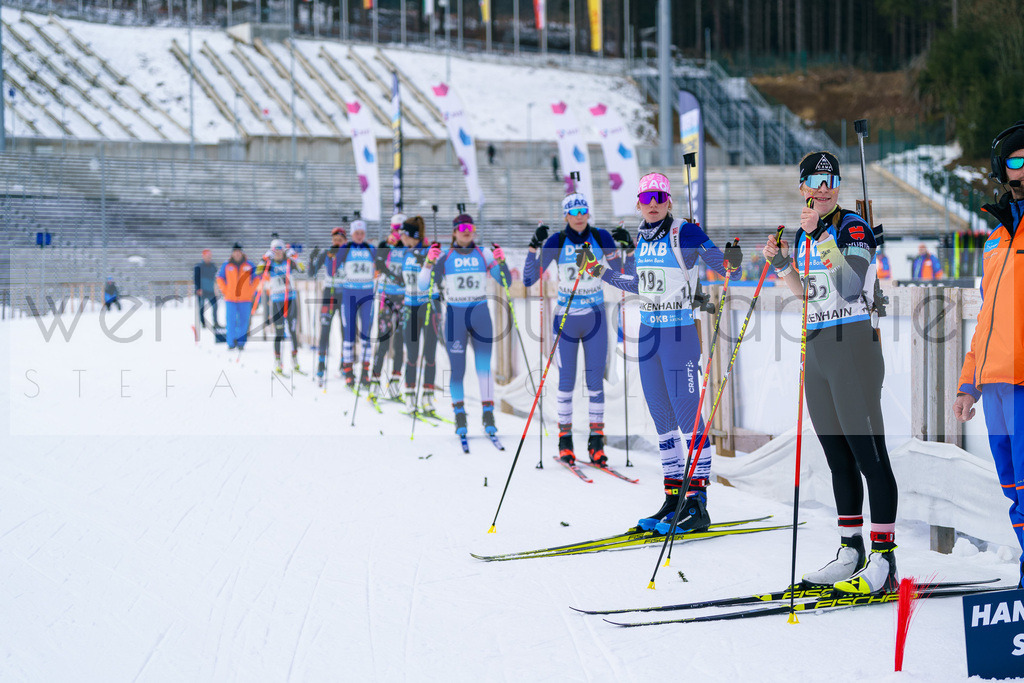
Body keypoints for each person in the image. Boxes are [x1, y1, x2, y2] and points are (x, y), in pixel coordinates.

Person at [761, 151, 898, 594]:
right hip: (819, 346)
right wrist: (782, 265)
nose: (823, 189)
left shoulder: (849, 226)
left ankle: (884, 558)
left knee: (868, 456)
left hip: (853, 345)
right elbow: (809, 295)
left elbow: (850, 285)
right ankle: (850, 550)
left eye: (830, 181)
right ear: (801, 186)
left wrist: (820, 234)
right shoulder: (805, 233)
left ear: (838, 185)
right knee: (838, 458)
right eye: (814, 182)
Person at [578, 172, 741, 534]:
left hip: (679, 334)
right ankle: (673, 497)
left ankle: (698, 503)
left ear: (669, 201)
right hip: (649, 332)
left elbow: (726, 267)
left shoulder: (684, 232)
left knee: (687, 416)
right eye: (646, 199)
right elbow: (638, 282)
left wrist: (727, 256)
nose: (652, 205)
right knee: (661, 418)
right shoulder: (642, 235)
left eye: (659, 198)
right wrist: (600, 271)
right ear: (638, 203)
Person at [952, 121, 1024, 589]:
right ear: (1004, 170)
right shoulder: (997, 240)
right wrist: (967, 383)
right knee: (1014, 493)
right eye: (1018, 159)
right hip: (995, 386)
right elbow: (986, 321)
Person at [522, 193, 626, 466]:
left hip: (595, 318)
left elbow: (623, 273)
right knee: (566, 383)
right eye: (573, 211)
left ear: (588, 213)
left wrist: (626, 247)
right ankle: (565, 441)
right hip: (566, 320)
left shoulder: (601, 237)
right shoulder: (557, 241)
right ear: (566, 215)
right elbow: (529, 278)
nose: (579, 216)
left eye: (583, 210)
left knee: (595, 384)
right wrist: (534, 247)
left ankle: (596, 442)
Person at [421, 213, 511, 437]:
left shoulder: (484, 253)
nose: (466, 230)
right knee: (458, 370)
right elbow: (423, 284)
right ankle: (460, 416)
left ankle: (488, 414)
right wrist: (428, 262)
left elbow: (505, 281)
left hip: (480, 315)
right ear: (454, 232)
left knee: (484, 368)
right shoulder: (445, 256)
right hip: (455, 318)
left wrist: (502, 262)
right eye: (461, 227)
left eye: (469, 226)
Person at [397, 216, 441, 413]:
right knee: (412, 353)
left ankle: (428, 397)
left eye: (402, 233)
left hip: (429, 304)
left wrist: (431, 259)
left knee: (430, 353)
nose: (400, 236)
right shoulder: (406, 253)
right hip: (410, 306)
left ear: (409, 235)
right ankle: (409, 395)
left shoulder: (429, 251)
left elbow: (438, 274)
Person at [367, 214, 408, 405]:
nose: (399, 233)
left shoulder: (409, 245)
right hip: (386, 297)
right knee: (383, 341)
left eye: (403, 229)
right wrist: (394, 277)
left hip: (404, 298)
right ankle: (374, 385)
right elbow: (379, 264)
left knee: (399, 343)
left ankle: (394, 386)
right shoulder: (386, 243)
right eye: (396, 229)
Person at [256, 239, 305, 374]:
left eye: (280, 249)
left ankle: (295, 361)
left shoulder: (289, 262)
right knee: (279, 333)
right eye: (274, 250)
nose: (278, 252)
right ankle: (278, 363)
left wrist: (294, 256)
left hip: (290, 300)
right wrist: (264, 258)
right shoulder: (269, 263)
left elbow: (302, 268)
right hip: (277, 300)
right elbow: (258, 272)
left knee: (293, 331)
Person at [337, 220, 376, 389]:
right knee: (349, 333)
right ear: (352, 234)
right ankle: (348, 371)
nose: (359, 236)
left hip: (367, 295)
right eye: (356, 233)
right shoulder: (346, 249)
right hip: (350, 295)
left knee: (366, 333)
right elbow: (332, 268)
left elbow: (380, 265)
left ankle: (365, 372)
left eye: (362, 233)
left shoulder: (370, 249)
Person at [309, 227, 348, 386]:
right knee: (325, 329)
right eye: (334, 239)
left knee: (346, 330)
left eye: (340, 239)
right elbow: (312, 273)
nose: (337, 242)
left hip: (345, 294)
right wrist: (312, 259)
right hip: (329, 294)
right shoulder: (327, 253)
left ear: (344, 240)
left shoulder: (347, 253)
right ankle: (321, 364)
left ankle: (345, 364)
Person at [216, 243, 257, 351]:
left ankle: (241, 342)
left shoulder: (249, 265)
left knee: (244, 321)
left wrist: (251, 290)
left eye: (239, 252)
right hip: (230, 298)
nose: (237, 254)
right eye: (235, 252)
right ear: (233, 253)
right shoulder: (227, 265)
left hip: (245, 298)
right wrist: (225, 290)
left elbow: (257, 278)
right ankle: (231, 342)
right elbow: (220, 278)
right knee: (230, 321)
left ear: (241, 253)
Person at [194, 249, 220, 328]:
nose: (208, 258)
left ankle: (215, 323)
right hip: (202, 291)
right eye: (207, 256)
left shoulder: (213, 266)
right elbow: (196, 278)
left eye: (209, 256)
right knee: (202, 308)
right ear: (203, 256)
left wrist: (216, 289)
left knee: (215, 306)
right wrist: (198, 289)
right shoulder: (198, 267)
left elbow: (216, 278)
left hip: (211, 291)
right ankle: (203, 323)